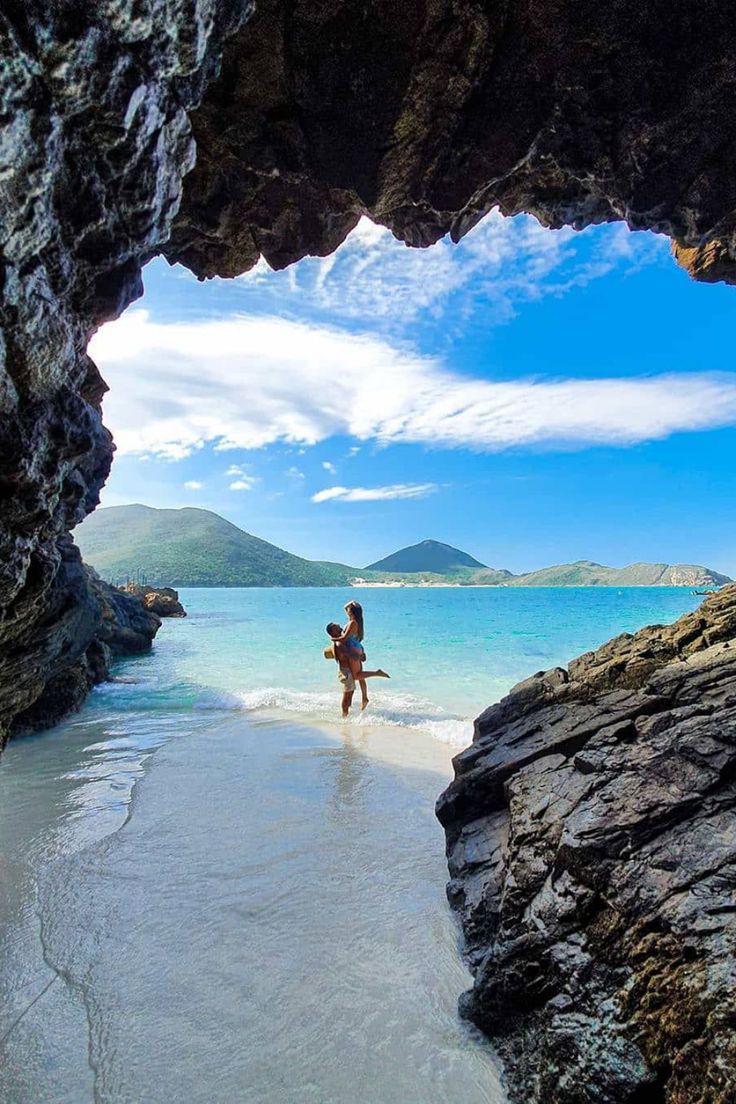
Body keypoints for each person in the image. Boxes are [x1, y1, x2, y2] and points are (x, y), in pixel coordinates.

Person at [329, 600, 388, 711]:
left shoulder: (352, 623)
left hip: (354, 648)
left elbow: (344, 638)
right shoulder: (356, 622)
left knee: (356, 676)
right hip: (356, 647)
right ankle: (364, 698)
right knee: (359, 676)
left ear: (352, 612)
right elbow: (345, 607)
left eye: (349, 610)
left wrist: (333, 639)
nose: (347, 611)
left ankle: (376, 673)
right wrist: (352, 603)